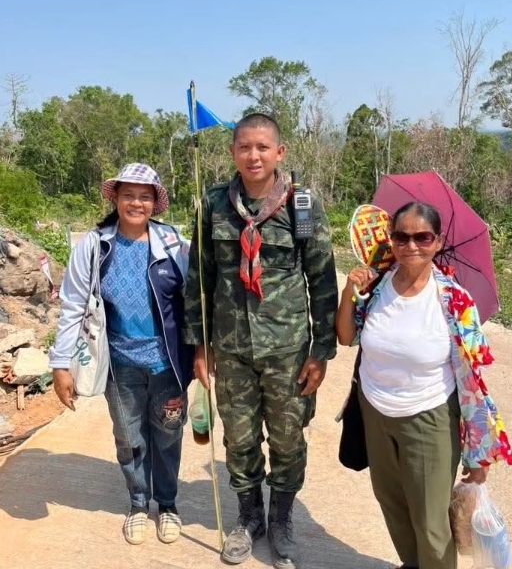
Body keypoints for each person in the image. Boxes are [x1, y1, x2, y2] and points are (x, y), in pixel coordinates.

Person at [184, 113, 338, 568]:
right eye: (244, 147)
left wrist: (321, 351)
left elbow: (322, 278)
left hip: (287, 349)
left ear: (279, 153)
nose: (254, 156)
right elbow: (199, 278)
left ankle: (281, 518)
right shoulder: (213, 204)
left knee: (288, 439)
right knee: (239, 438)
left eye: (263, 147)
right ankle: (249, 517)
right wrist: (200, 344)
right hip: (231, 348)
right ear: (233, 152)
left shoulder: (302, 206)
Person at [336, 201, 512, 569]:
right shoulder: (377, 285)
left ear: (438, 242)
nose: (411, 245)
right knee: (393, 503)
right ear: (391, 239)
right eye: (402, 237)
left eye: (422, 237)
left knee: (432, 524)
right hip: (375, 412)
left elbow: (473, 381)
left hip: (429, 418)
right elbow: (346, 336)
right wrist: (349, 291)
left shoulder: (454, 301)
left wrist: (479, 453)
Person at [49, 163, 194, 546]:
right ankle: (138, 505)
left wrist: (203, 352)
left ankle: (168, 505)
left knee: (168, 437)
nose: (136, 203)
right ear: (116, 198)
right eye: (128, 195)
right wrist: (60, 364)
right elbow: (73, 305)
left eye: (144, 196)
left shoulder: (174, 245)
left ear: (154, 203)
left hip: (168, 367)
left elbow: (196, 301)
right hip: (120, 366)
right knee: (130, 439)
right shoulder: (96, 246)